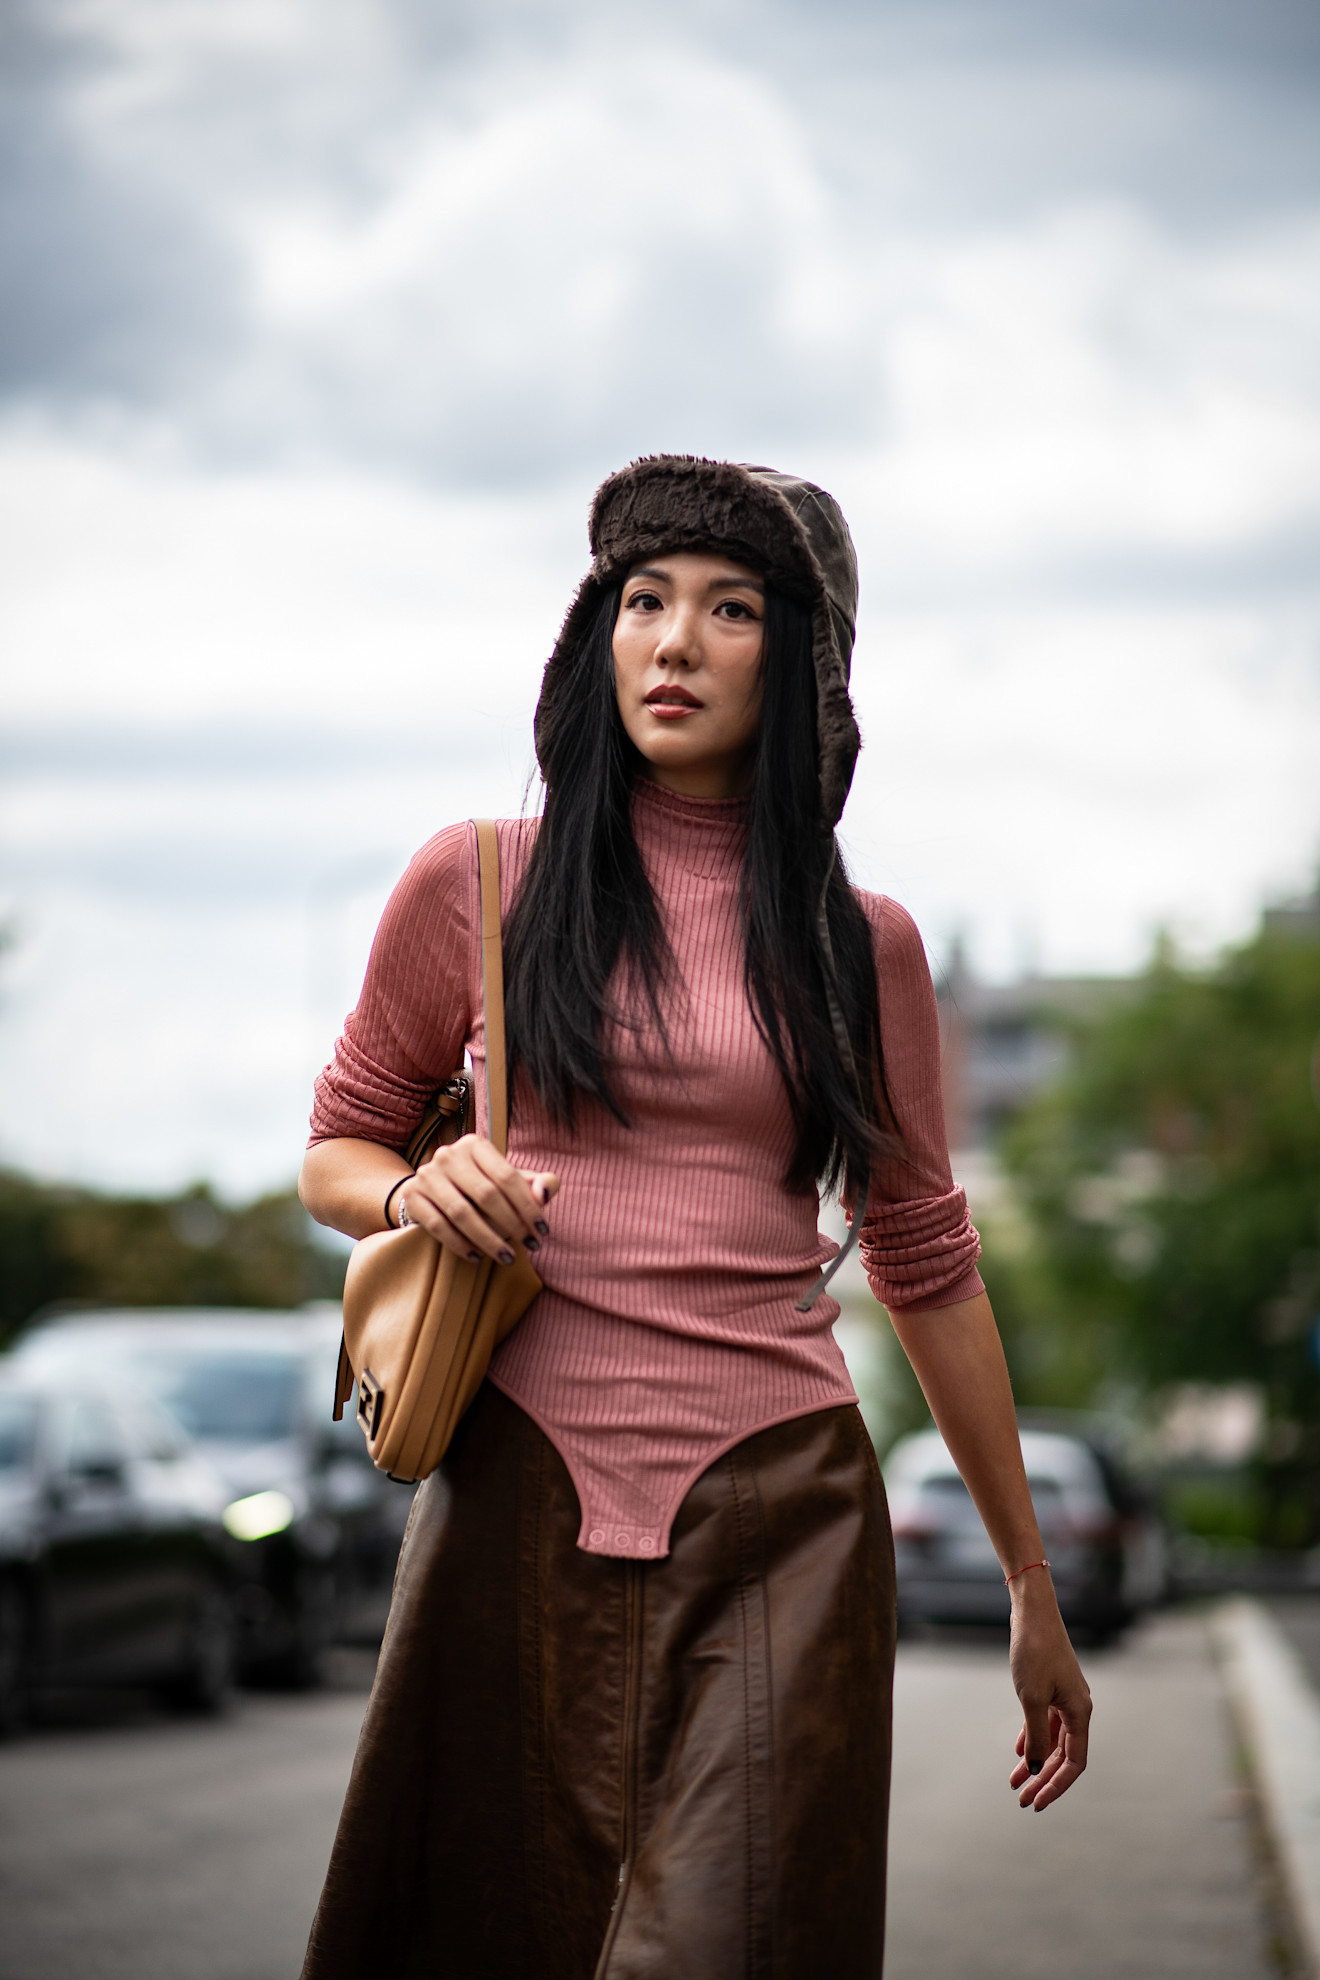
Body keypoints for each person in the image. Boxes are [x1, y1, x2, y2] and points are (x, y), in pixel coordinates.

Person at [298, 456, 1091, 1980]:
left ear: (802, 665)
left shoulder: (862, 947)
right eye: (643, 601)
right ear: (596, 637)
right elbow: (337, 1148)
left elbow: (926, 1262)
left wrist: (1028, 1587)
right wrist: (408, 1188)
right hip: (508, 1491)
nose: (673, 642)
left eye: (730, 610)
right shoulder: (479, 881)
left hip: (781, 1511)